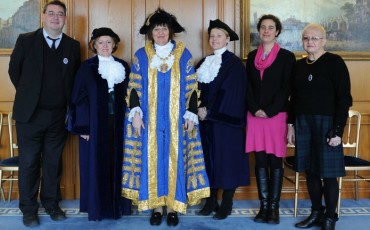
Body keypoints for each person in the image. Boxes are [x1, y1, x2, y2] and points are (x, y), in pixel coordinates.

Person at [121, 8, 210, 227]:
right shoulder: (142, 55)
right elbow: (133, 86)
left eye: (164, 28)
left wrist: (190, 113)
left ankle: (173, 207)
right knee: (151, 161)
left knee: (174, 160)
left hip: (176, 120)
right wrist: (135, 114)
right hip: (149, 120)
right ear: (150, 33)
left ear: (170, 32)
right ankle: (156, 207)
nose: (160, 32)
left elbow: (191, 86)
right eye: (156, 28)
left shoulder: (183, 53)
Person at [8, 0, 80, 227]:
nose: (55, 18)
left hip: (58, 116)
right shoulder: (26, 41)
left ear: (65, 18)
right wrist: (31, 95)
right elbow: (14, 72)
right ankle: (28, 209)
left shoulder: (72, 45)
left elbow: (73, 80)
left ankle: (51, 203)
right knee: (29, 163)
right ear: (43, 16)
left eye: (60, 14)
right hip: (30, 116)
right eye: (51, 13)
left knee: (52, 163)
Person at [287, 23, 352, 230]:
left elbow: (344, 99)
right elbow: (292, 99)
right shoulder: (298, 66)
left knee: (329, 174)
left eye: (314, 38)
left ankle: (331, 217)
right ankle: (317, 212)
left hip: (327, 124)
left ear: (323, 41)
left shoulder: (335, 62)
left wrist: (338, 129)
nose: (310, 42)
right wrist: (291, 125)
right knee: (310, 172)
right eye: (306, 38)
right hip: (303, 123)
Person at [67, 27, 131, 221]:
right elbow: (79, 98)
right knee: (96, 165)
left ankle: (117, 206)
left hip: (119, 124)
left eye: (109, 42)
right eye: (101, 42)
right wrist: (84, 127)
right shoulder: (87, 67)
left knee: (119, 164)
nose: (105, 46)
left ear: (114, 45)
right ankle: (98, 208)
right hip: (95, 126)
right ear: (94, 45)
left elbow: (132, 95)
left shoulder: (123, 66)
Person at [195, 19, 250, 220]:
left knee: (226, 161)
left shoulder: (234, 64)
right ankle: (210, 201)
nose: (214, 39)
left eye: (219, 35)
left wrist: (209, 112)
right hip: (205, 122)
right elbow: (194, 90)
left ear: (227, 39)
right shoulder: (203, 62)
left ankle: (226, 202)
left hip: (226, 122)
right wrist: (197, 110)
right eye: (212, 36)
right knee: (208, 160)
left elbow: (231, 94)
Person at [245, 14, 295, 224]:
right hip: (254, 116)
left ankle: (273, 209)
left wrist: (269, 110)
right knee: (260, 161)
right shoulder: (251, 56)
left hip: (276, 116)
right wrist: (255, 108)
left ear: (277, 31)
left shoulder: (286, 57)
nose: (266, 31)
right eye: (263, 27)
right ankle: (263, 206)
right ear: (259, 31)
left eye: (270, 27)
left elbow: (287, 88)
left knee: (275, 161)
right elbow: (247, 87)